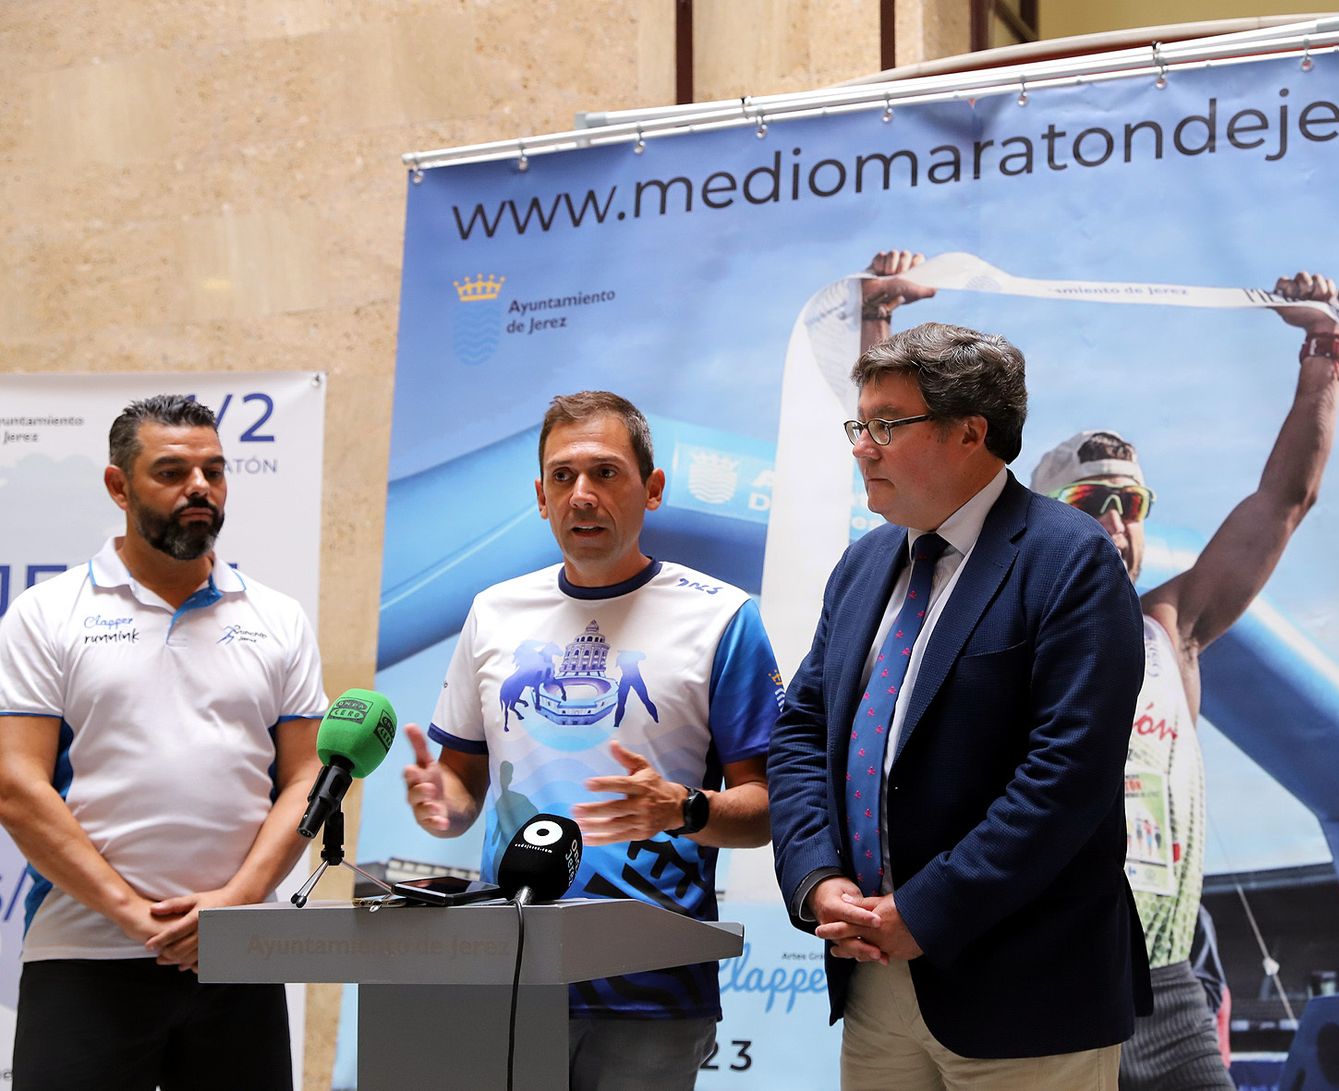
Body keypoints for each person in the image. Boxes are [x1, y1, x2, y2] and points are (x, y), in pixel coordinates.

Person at [866, 252, 1339, 1089]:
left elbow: (1284, 501)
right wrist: (878, 324)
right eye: (1095, 504)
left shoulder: (1173, 627)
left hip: (1164, 990)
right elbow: (906, 490)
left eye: (1134, 505)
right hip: (1037, 979)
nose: (1120, 523)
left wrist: (1320, 354)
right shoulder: (983, 615)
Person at [767, 321, 1150, 1088]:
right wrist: (816, 879)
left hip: (1028, 993)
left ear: (970, 432)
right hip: (877, 979)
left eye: (886, 425)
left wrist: (930, 909)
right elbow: (804, 731)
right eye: (859, 423)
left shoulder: (1070, 560)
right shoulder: (863, 564)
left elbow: (1066, 778)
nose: (861, 446)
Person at [402, 390, 782, 1091]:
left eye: (606, 472)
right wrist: (442, 802)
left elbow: (766, 810)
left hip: (652, 987)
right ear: (541, 497)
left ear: (654, 488)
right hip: (510, 971)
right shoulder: (493, 613)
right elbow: (460, 787)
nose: (582, 495)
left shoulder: (724, 617)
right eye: (562, 476)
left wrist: (682, 809)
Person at [0, 395, 327, 1091]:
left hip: (239, 956)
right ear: (119, 486)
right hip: (83, 954)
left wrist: (235, 903)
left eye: (214, 469)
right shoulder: (47, 613)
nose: (199, 487)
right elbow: (16, 787)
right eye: (173, 471)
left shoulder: (278, 618)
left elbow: (308, 778)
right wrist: (141, 917)